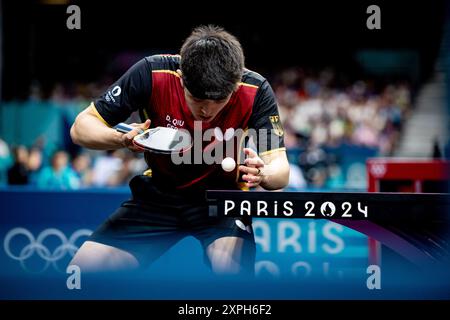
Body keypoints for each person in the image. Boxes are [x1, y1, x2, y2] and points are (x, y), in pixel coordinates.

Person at [69, 25, 289, 275]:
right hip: (159, 195)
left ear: (235, 87)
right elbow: (80, 128)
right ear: (182, 77)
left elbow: (280, 170)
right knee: (79, 274)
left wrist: (264, 175)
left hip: (223, 202)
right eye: (197, 99)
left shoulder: (255, 89)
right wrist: (120, 139)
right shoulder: (151, 73)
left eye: (218, 100)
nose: (206, 111)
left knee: (232, 274)